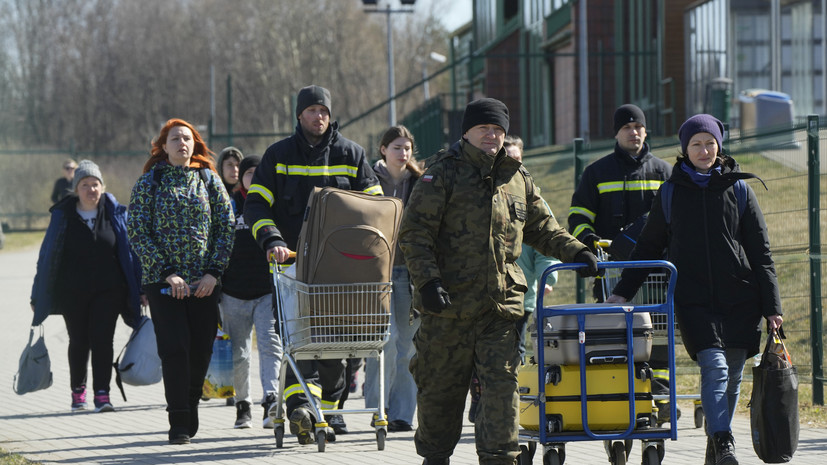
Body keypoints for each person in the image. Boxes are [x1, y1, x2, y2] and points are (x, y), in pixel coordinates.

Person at [398, 98, 600, 465]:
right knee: (439, 395)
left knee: (501, 397)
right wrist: (427, 283)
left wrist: (576, 251)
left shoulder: (516, 177)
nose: (491, 136)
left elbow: (543, 227)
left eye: (498, 130)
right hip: (447, 311)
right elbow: (415, 234)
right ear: (467, 132)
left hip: (500, 311)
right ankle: (435, 458)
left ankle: (499, 459)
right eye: (484, 129)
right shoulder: (441, 173)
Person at [606, 114, 784, 465]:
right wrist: (623, 292)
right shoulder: (671, 193)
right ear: (684, 150)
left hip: (741, 297)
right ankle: (724, 438)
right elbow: (647, 246)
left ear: (719, 146)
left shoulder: (739, 190)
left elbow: (761, 252)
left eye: (710, 143)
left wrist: (772, 305)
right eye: (696, 144)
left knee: (733, 375)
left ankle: (716, 445)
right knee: (715, 368)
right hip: (693, 300)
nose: (704, 150)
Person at [244, 85, 383, 444]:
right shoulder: (277, 156)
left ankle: (323, 410)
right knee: (297, 341)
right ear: (299, 115)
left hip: (340, 271)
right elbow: (256, 206)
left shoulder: (351, 154)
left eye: (323, 111)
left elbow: (375, 206)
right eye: (311, 111)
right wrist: (273, 241)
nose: (318, 117)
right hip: (291, 268)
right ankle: (301, 410)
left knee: (336, 346)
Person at [127, 118, 234, 445]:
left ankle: (190, 403)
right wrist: (165, 273)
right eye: (175, 139)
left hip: (203, 283)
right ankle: (178, 420)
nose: (182, 144)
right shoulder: (149, 182)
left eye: (187, 139)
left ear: (194, 145)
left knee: (200, 349)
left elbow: (225, 228)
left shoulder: (209, 180)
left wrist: (212, 273)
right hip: (163, 285)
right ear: (163, 145)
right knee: (175, 349)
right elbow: (137, 231)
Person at [567, 103, 676, 419]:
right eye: (627, 127)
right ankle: (617, 397)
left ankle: (662, 398)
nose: (634, 132)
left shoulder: (664, 173)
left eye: (639, 126)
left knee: (658, 334)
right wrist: (588, 240)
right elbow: (578, 215)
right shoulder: (597, 173)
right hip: (611, 271)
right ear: (616, 133)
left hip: (655, 274)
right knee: (614, 337)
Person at [31, 160, 143, 413]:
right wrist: (36, 294)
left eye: (95, 184)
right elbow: (46, 256)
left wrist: (141, 288)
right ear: (75, 189)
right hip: (73, 292)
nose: (91, 189)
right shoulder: (63, 216)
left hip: (110, 290)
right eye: (85, 185)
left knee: (103, 340)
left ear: (102, 187)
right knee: (79, 340)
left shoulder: (116, 214)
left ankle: (102, 394)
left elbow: (131, 254)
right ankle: (77, 391)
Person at [467, 135, 561, 424]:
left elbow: (548, 239)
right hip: (482, 293)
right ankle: (481, 392)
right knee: (478, 352)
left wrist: (549, 277)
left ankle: (505, 410)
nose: (512, 164)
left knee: (513, 353)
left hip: (522, 294)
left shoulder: (530, 196)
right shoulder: (479, 193)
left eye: (517, 159)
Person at [363, 125, 424, 433]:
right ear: (383, 150)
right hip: (376, 275)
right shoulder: (369, 179)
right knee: (383, 342)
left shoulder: (420, 182)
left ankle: (402, 414)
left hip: (410, 274)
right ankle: (378, 407)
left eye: (407, 148)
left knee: (409, 345)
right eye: (397, 147)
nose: (403, 153)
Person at [219, 154, 283, 430]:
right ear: (241, 177)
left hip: (266, 292)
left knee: (270, 346)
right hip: (233, 293)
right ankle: (242, 404)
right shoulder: (227, 205)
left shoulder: (274, 204)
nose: (253, 177)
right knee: (239, 354)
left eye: (258, 172)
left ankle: (271, 401)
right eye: (249, 173)